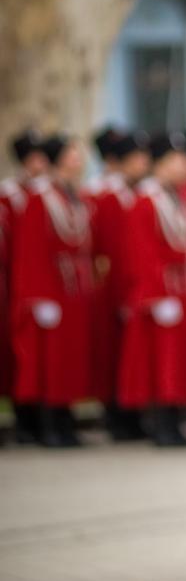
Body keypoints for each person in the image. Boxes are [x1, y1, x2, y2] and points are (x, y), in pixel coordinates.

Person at [118, 133, 186, 448]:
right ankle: (162, 424)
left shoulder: (178, 198)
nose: (183, 165)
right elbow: (141, 252)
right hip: (163, 292)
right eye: (176, 159)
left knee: (180, 362)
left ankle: (176, 422)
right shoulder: (146, 201)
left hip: (183, 289)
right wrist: (155, 296)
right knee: (162, 363)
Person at [9, 135, 97, 447]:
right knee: (49, 361)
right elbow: (30, 252)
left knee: (69, 360)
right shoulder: (40, 198)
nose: (78, 160)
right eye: (72, 154)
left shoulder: (73, 196)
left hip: (73, 290)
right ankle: (48, 426)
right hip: (51, 291)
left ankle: (65, 421)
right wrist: (38, 296)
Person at [87, 128, 149, 440]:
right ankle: (115, 416)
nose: (143, 163)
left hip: (131, 283)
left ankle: (132, 415)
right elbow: (110, 248)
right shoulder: (107, 197)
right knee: (112, 352)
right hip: (112, 285)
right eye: (137, 158)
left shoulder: (134, 195)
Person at [3, 131, 54, 444]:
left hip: (32, 281)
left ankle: (37, 418)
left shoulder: (44, 194)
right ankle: (22, 419)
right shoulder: (10, 195)